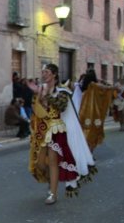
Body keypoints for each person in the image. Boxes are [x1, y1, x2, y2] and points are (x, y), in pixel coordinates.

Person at [26, 64, 96, 205]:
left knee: (53, 161)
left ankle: (53, 193)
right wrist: (37, 95)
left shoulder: (63, 91)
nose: (43, 74)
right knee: (39, 163)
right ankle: (52, 181)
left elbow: (61, 106)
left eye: (46, 72)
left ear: (54, 74)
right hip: (42, 129)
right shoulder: (41, 89)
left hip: (56, 129)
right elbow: (36, 110)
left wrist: (45, 95)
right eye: (43, 72)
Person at [75, 69, 116, 151]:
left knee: (84, 130)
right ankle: (90, 153)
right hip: (94, 113)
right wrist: (108, 83)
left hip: (83, 112)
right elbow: (107, 87)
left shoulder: (82, 86)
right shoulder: (94, 85)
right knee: (94, 132)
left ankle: (85, 153)